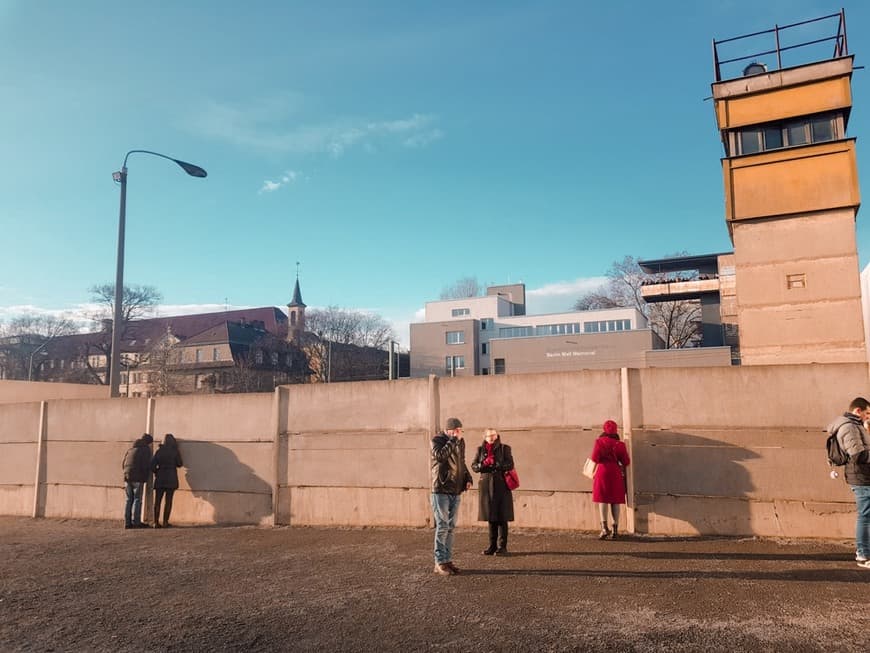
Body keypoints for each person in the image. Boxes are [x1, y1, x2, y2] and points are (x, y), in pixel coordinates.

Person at [827, 397, 870, 567]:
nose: (868, 416)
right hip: (860, 477)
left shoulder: (856, 426)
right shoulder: (849, 427)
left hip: (863, 475)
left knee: (866, 515)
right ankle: (863, 554)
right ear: (857, 411)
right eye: (867, 413)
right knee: (865, 516)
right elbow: (858, 455)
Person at [430, 417, 473, 576]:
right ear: (449, 430)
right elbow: (440, 456)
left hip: (455, 490)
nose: (459, 433)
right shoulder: (437, 440)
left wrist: (467, 478)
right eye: (457, 430)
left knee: (451, 527)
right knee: (442, 527)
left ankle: (447, 560)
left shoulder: (460, 442)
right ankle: (439, 562)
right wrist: (453, 440)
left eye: (460, 430)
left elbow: (461, 462)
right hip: (440, 489)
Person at [472, 428, 515, 555]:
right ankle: (492, 546)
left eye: (493, 435)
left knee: (502, 517)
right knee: (491, 517)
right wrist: (483, 464)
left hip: (501, 486)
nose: (491, 438)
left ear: (497, 436)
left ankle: (502, 547)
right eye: (489, 436)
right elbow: (474, 466)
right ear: (484, 437)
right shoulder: (480, 450)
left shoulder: (504, 448)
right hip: (486, 487)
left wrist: (496, 464)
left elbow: (510, 464)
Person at [589, 420, 630, 540]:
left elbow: (594, 458)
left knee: (603, 499)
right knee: (615, 500)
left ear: (604, 430)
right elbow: (626, 462)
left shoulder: (599, 442)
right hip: (615, 473)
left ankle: (603, 528)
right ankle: (615, 530)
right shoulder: (620, 444)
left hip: (602, 472)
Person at [151, 433, 184, 528]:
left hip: (160, 478)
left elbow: (152, 465)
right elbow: (180, 463)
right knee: (168, 501)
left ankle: (155, 522)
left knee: (157, 501)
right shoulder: (175, 451)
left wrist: (157, 471)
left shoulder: (159, 451)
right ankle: (165, 522)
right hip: (171, 478)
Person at [122, 433, 153, 529]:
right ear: (148, 442)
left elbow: (123, 463)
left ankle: (127, 522)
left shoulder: (131, 449)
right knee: (137, 499)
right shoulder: (145, 450)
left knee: (128, 500)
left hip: (127, 477)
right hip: (138, 478)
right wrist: (145, 477)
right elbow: (146, 465)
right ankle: (136, 522)